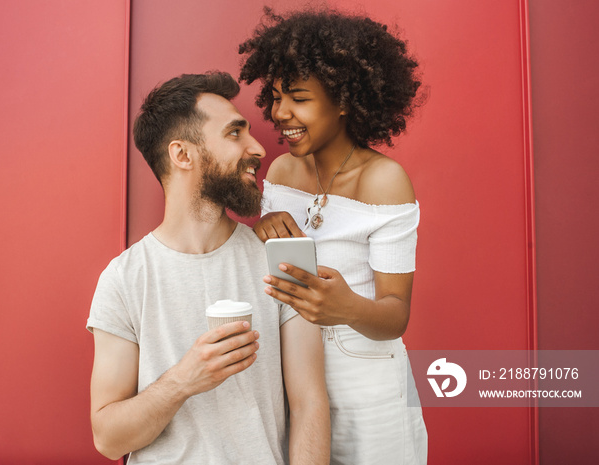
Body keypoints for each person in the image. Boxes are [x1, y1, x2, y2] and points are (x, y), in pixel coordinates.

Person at [86, 71, 330, 464]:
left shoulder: (281, 262)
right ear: (183, 155)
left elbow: (310, 407)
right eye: (235, 134)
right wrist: (184, 380)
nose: (258, 149)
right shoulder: (124, 279)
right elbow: (109, 439)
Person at [239, 9, 428, 465]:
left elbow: (395, 316)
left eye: (298, 98)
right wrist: (260, 231)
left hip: (370, 389)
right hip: (293, 383)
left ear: (344, 101)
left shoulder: (385, 181)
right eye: (277, 96)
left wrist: (345, 308)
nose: (280, 114)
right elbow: (273, 275)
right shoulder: (282, 173)